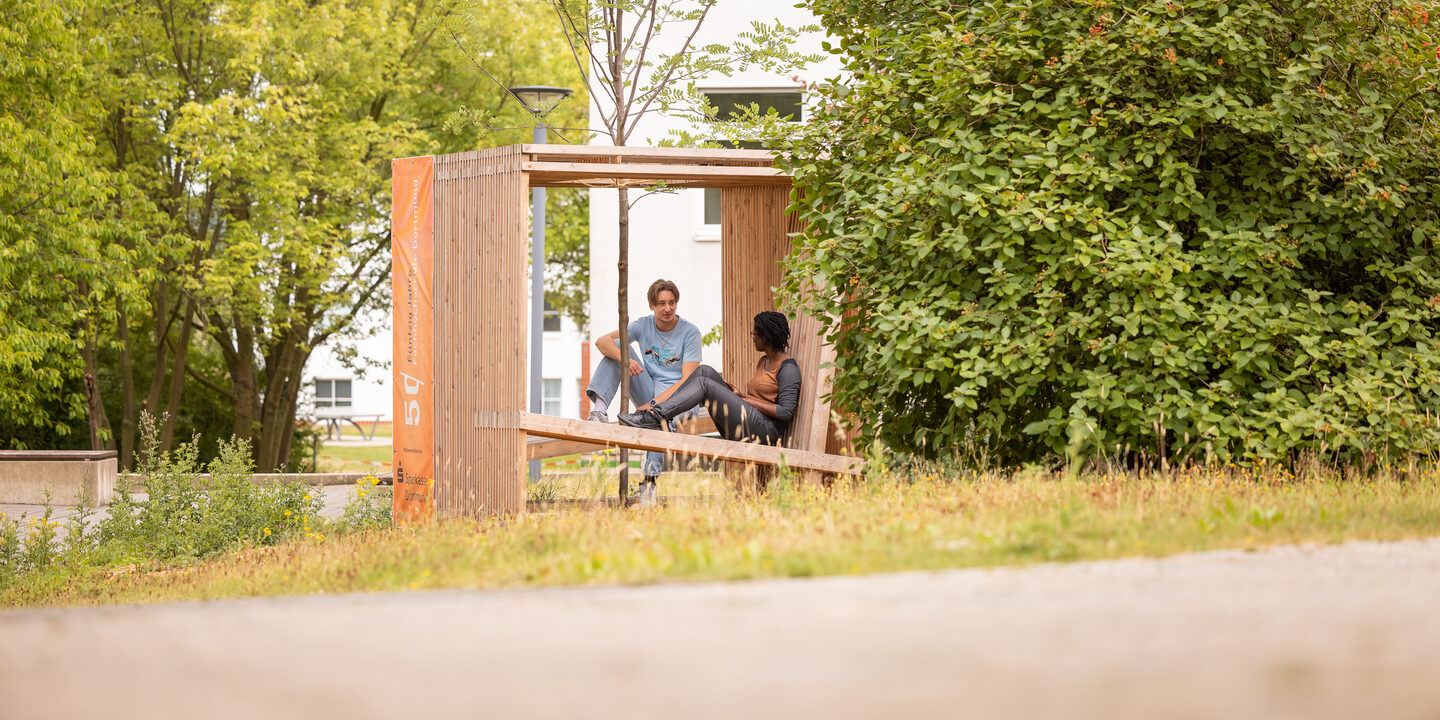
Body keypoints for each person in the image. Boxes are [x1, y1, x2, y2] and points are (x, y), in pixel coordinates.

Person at [585, 279, 704, 504]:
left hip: (682, 398)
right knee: (618, 346)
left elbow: (690, 381)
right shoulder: (643, 325)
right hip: (649, 388)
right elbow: (602, 342)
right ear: (651, 305)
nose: (667, 308)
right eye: (661, 304)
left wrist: (654, 405)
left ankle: (649, 484)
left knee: (658, 418)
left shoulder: (690, 333)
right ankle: (599, 412)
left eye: (672, 303)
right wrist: (626, 360)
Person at [618, 311, 800, 450]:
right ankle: (662, 417)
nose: (752, 336)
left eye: (755, 333)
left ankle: (654, 416)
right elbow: (763, 399)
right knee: (704, 371)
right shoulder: (764, 361)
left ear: (766, 337)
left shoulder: (788, 368)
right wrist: (739, 397)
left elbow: (785, 411)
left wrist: (744, 400)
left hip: (766, 433)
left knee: (705, 384)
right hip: (750, 420)